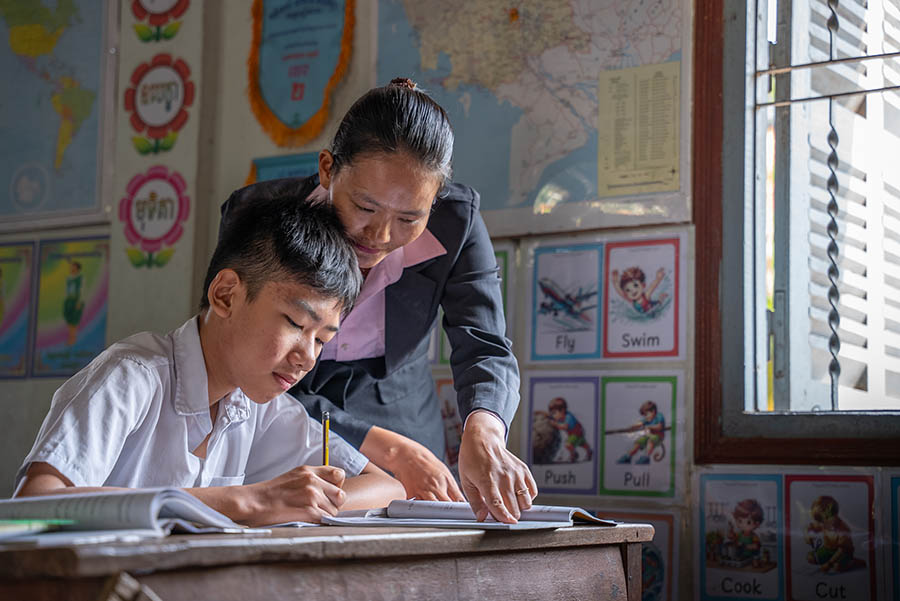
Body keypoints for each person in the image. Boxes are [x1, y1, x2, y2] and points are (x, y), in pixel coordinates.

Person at [220, 78, 536, 523]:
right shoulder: (259, 214)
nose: (381, 236)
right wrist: (388, 449)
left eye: (409, 218)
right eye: (365, 208)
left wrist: (484, 428)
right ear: (328, 169)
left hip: (403, 422)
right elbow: (232, 354)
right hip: (279, 411)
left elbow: (484, 346)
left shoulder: (457, 223)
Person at [14, 196, 405, 526]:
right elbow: (34, 504)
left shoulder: (257, 408)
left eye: (321, 340)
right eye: (295, 323)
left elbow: (388, 488)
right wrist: (248, 502)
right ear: (226, 295)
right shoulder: (132, 376)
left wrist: (304, 501)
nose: (306, 357)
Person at [616, 400, 666, 465]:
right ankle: (628, 456)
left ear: (653, 411)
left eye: (646, 414)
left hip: (658, 436)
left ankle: (646, 457)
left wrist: (649, 427)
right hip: (648, 436)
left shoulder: (659, 416)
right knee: (639, 442)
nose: (645, 417)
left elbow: (660, 427)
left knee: (650, 441)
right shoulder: (647, 419)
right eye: (644, 415)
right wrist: (632, 427)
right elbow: (640, 423)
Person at [545, 397, 592, 462]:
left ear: (562, 410)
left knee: (568, 444)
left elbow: (565, 427)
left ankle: (574, 455)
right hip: (575, 433)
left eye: (554, 413)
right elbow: (550, 417)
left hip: (576, 433)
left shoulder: (568, 417)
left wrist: (555, 424)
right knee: (582, 443)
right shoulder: (560, 416)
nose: (553, 416)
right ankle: (589, 451)